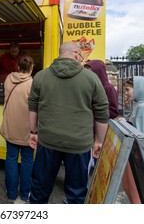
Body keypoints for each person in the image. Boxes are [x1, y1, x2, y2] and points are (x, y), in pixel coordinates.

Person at [28, 41, 109, 204]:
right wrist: (99, 141)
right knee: (76, 194)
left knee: (39, 189)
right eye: (80, 55)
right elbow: (102, 111)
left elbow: (33, 107)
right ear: (75, 54)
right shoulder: (91, 78)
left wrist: (33, 132)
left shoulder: (40, 76)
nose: (81, 59)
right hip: (79, 145)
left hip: (48, 142)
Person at [0, 55, 34, 203]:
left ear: (18, 67)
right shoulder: (33, 84)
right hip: (28, 130)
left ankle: (11, 192)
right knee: (27, 160)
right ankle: (25, 193)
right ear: (31, 68)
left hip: (11, 127)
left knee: (11, 158)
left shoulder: (8, 79)